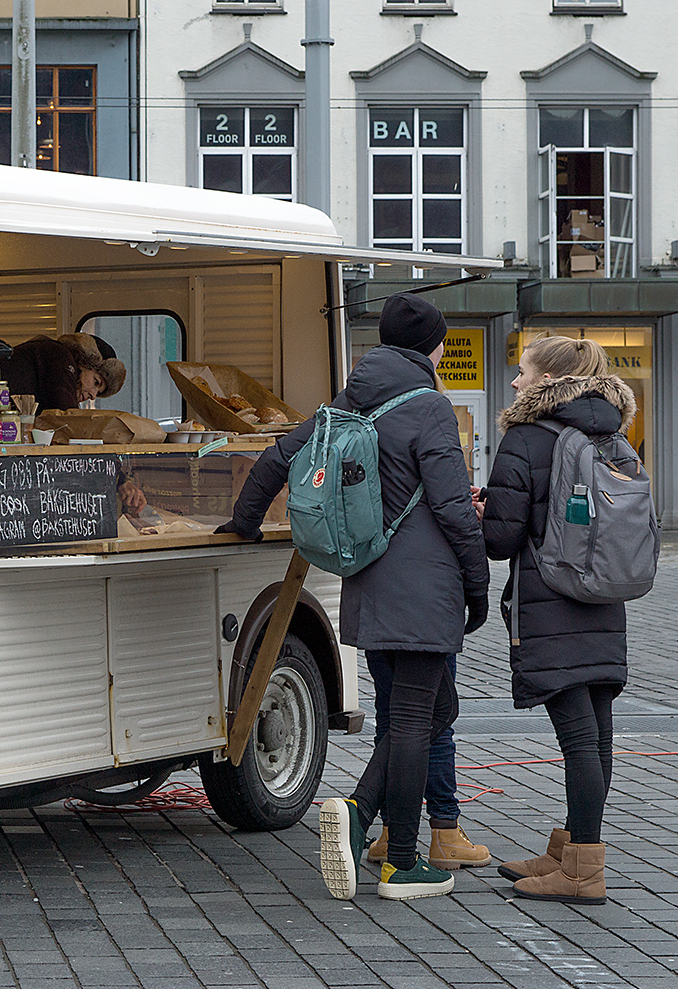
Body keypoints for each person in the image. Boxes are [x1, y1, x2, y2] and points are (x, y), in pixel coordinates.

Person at [217, 292, 489, 901]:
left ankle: (363, 815)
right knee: (418, 720)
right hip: (426, 592)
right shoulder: (430, 408)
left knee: (420, 713)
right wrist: (478, 586)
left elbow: (276, 457)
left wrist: (244, 521)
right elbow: (452, 509)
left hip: (367, 587)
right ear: (432, 346)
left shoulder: (346, 404)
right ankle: (400, 862)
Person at [475, 335, 634, 906]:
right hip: (602, 596)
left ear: (546, 382)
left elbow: (501, 539)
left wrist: (486, 508)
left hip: (550, 599)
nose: (515, 382)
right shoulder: (611, 433)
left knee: (577, 739)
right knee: (597, 732)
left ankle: (584, 870)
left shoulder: (525, 437)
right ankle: (568, 850)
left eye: (522, 373)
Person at [362, 649, 493, 872]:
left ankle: (389, 833)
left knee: (389, 712)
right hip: (428, 626)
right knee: (434, 712)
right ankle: (445, 831)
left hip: (377, 622)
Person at [2, 332, 126, 413]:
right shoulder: (60, 356)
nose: (93, 395)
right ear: (84, 362)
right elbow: (67, 417)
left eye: (98, 393)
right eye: (96, 382)